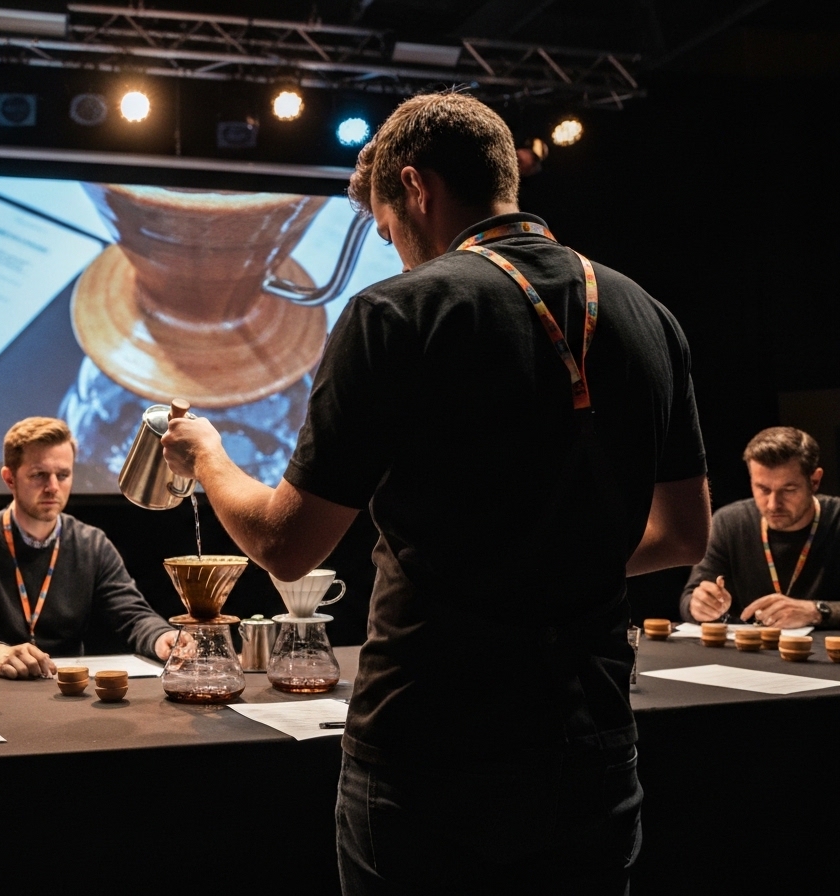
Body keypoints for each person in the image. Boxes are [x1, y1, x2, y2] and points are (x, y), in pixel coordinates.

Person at [161, 92, 711, 894]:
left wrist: (206, 454)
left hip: (429, 753)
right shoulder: (647, 314)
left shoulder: (398, 312)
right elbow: (684, 535)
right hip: (590, 744)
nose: (397, 255)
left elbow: (287, 544)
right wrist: (552, 559)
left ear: (417, 188)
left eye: (389, 233)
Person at [0, 417, 180, 679]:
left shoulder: (91, 544)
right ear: (9, 479)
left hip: (66, 689)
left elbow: (133, 616)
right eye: (39, 475)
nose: (53, 487)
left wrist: (161, 637)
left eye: (63, 475)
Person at [681, 426, 837, 629]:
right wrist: (699, 605)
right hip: (747, 654)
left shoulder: (836, 519)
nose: (773, 504)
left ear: (815, 481)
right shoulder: (730, 523)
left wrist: (817, 611)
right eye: (763, 489)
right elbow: (689, 598)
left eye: (788, 489)